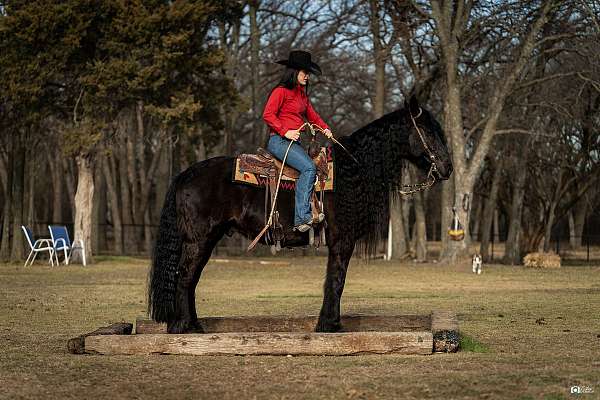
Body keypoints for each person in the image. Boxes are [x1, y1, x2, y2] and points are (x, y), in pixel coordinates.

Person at [263, 50, 333, 233]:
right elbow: (268, 115)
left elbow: (313, 116)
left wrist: (325, 128)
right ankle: (301, 218)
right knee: (309, 168)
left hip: (293, 144)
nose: (307, 76)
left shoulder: (302, 95)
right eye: (305, 72)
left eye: (308, 73)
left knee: (313, 168)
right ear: (294, 72)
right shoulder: (280, 92)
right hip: (279, 141)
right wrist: (285, 131)